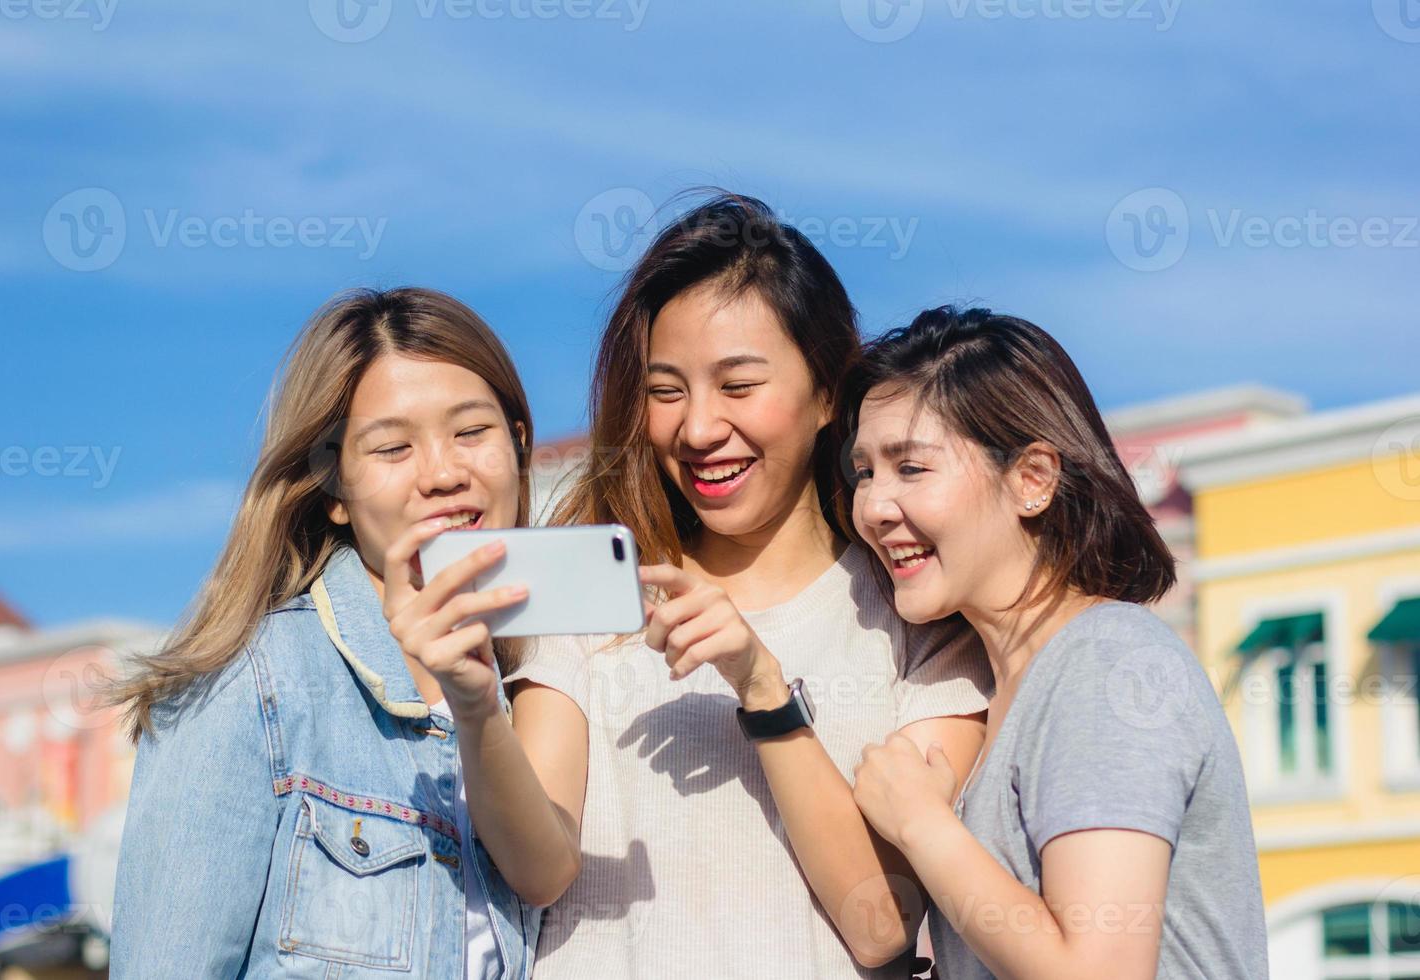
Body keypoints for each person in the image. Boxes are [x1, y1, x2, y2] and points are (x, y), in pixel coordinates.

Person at [507, 194, 994, 978]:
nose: (697, 429)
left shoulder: (917, 612)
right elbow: (537, 866)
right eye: (667, 391)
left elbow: (884, 925)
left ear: (829, 393)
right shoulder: (589, 591)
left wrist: (762, 687)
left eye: (737, 386)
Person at [109, 287, 587, 979]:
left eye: (472, 432)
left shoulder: (537, 688)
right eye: (393, 447)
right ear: (334, 487)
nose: (444, 473)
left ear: (519, 449)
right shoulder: (252, 683)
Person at [847, 307, 1268, 979]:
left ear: (1032, 480)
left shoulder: (1108, 664)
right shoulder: (1011, 686)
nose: (873, 506)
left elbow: (1098, 972)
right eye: (865, 472)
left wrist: (922, 824)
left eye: (912, 468)